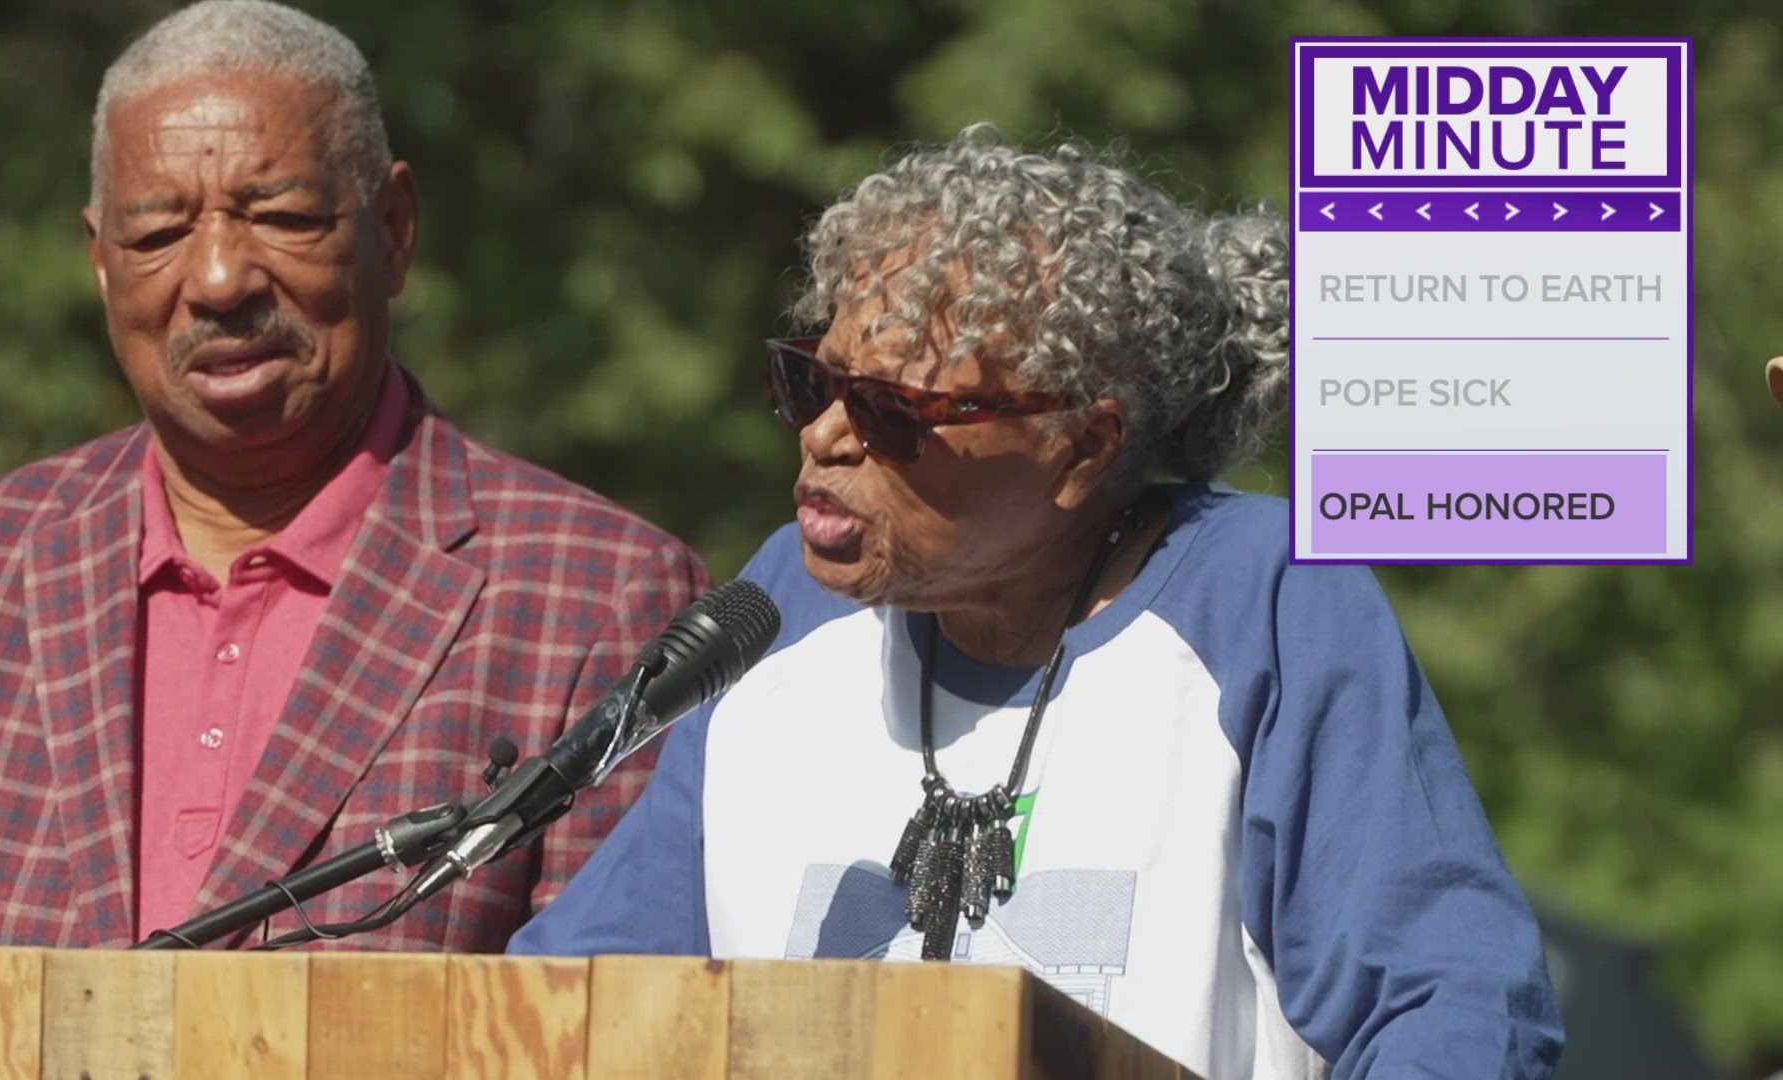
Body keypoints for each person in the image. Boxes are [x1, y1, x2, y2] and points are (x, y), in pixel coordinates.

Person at [512, 126, 1564, 1078]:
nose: (824, 436)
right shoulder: (781, 607)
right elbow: (581, 1010)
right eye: (810, 382)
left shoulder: (1262, 596)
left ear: (1081, 446)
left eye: (889, 409)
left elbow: (1449, 1006)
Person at [0, 0, 706, 951]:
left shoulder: (596, 599)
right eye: (157, 236)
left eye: (284, 217)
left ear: (394, 229)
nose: (221, 280)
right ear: (100, 264)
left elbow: (607, 1027)